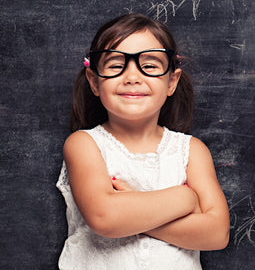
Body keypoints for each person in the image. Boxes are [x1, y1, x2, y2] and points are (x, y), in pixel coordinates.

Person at [56, 13, 230, 269]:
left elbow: (216, 234)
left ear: (172, 81)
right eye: (116, 66)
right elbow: (105, 217)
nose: (132, 77)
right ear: (94, 82)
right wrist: (185, 198)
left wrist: (134, 208)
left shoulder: (191, 151)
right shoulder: (84, 144)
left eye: (149, 66)